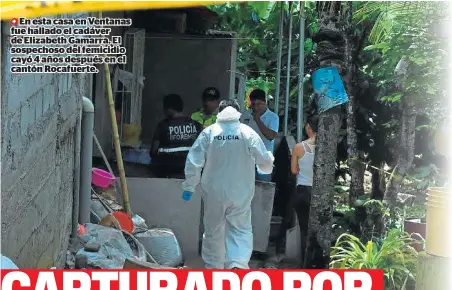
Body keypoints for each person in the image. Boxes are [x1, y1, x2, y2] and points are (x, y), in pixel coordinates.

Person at [181, 99, 274, 269]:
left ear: (219, 112)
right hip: (241, 192)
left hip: (213, 192)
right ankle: (237, 265)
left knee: (213, 230)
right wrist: (267, 164)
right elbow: (265, 162)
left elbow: (194, 161)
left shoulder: (209, 132)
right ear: (238, 112)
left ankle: (214, 267)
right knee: (240, 229)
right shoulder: (248, 133)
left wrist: (189, 186)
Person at [287, 114, 318, 263]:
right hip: (319, 191)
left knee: (305, 230)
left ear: (308, 127)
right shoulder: (327, 148)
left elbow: (294, 170)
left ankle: (305, 263)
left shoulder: (299, 147)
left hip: (302, 191)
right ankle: (316, 262)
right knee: (318, 230)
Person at [150, 94, 202, 178]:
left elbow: (153, 151)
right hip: (191, 170)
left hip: (167, 170)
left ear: (169, 109)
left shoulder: (163, 125)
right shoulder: (196, 125)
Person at [240, 89, 279, 182]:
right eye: (253, 105)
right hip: (246, 159)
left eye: (259, 104)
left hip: (263, 161)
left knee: (263, 190)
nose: (256, 108)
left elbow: (270, 136)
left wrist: (257, 120)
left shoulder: (273, 117)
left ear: (265, 102)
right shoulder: (245, 115)